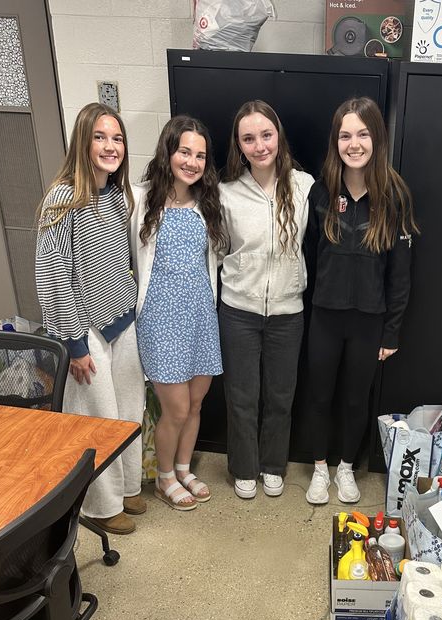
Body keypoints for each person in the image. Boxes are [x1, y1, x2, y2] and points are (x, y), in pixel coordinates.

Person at [36, 102, 145, 535]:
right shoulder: (62, 199)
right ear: (83, 142)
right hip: (85, 330)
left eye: (117, 138)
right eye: (100, 137)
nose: (110, 146)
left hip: (122, 318)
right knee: (96, 419)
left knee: (129, 412)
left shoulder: (119, 196)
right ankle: (101, 506)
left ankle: (129, 487)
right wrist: (76, 345)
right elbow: (52, 275)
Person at [304, 96, 418, 505]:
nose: (354, 143)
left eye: (363, 134)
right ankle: (320, 470)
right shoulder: (322, 192)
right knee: (319, 395)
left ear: (377, 138)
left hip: (369, 321)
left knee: (356, 399)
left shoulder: (395, 196)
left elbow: (400, 274)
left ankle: (346, 468)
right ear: (336, 140)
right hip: (325, 317)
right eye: (345, 135)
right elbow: (310, 257)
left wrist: (392, 331)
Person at [218, 100, 314, 500]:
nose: (259, 145)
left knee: (280, 395)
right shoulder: (226, 193)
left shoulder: (304, 186)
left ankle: (273, 465)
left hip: (288, 311)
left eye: (266, 135)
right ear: (239, 146)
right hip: (239, 309)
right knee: (241, 395)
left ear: (278, 136)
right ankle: (243, 467)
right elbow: (219, 247)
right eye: (249, 138)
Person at [131, 116, 226, 511]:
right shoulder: (139, 200)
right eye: (184, 151)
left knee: (198, 402)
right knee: (176, 407)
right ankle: (164, 477)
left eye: (200, 155)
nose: (192, 161)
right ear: (168, 152)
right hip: (159, 318)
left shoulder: (208, 203)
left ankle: (184, 467)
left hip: (201, 315)